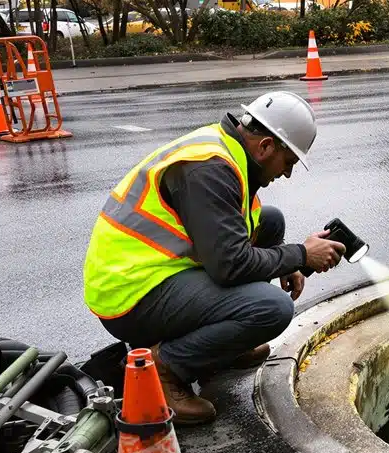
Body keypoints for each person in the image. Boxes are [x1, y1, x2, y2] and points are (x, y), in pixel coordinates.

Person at [81, 91, 347, 426]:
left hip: (152, 271)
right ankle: (164, 370)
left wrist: (292, 259)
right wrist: (299, 255)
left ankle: (225, 345)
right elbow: (230, 266)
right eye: (289, 162)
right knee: (272, 309)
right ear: (265, 146)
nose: (288, 174)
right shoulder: (208, 170)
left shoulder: (226, 148)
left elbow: (237, 240)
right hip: (130, 295)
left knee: (271, 221)